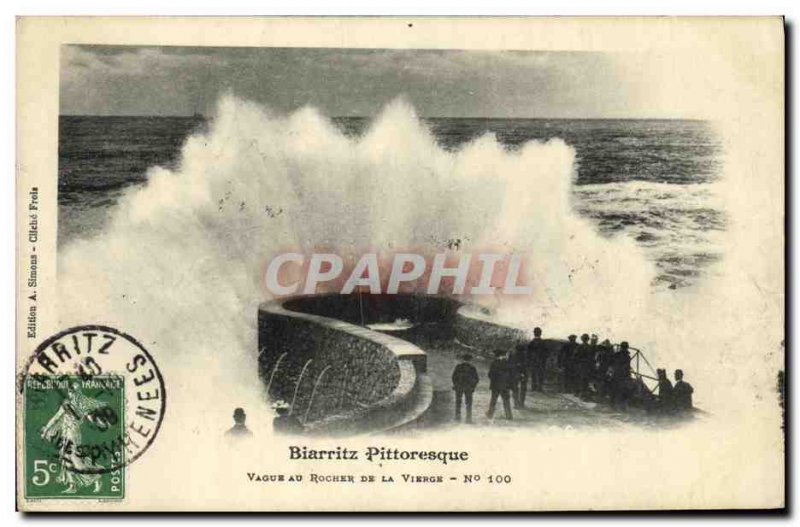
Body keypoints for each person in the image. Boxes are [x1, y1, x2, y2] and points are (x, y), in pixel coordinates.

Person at [487, 349, 514, 420]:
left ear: (496, 356)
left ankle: (490, 414)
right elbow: (511, 375)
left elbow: (490, 374)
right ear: (503, 355)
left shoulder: (493, 363)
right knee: (506, 401)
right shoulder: (508, 363)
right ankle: (509, 416)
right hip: (505, 385)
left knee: (493, 400)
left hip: (495, 385)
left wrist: (493, 380)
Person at [452, 353, 479, 422]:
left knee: (458, 403)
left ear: (463, 359)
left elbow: (454, 377)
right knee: (469, 403)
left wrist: (456, 384)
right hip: (468, 388)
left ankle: (457, 417)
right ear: (470, 360)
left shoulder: (458, 366)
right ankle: (468, 419)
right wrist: (473, 386)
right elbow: (476, 379)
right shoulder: (472, 368)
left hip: (459, 387)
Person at [527, 327, 547, 393]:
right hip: (541, 361)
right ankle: (539, 387)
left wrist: (529, 360)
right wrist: (544, 359)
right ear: (540, 333)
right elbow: (546, 353)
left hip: (534, 361)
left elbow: (528, 353)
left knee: (534, 374)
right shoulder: (543, 342)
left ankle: (534, 387)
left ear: (534, 333)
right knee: (540, 374)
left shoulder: (532, 342)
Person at [510, 344, 528, 408]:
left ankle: (516, 403)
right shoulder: (525, 356)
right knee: (523, 389)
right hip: (523, 373)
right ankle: (521, 403)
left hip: (514, 374)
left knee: (515, 388)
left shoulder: (512, 355)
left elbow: (510, 365)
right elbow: (526, 365)